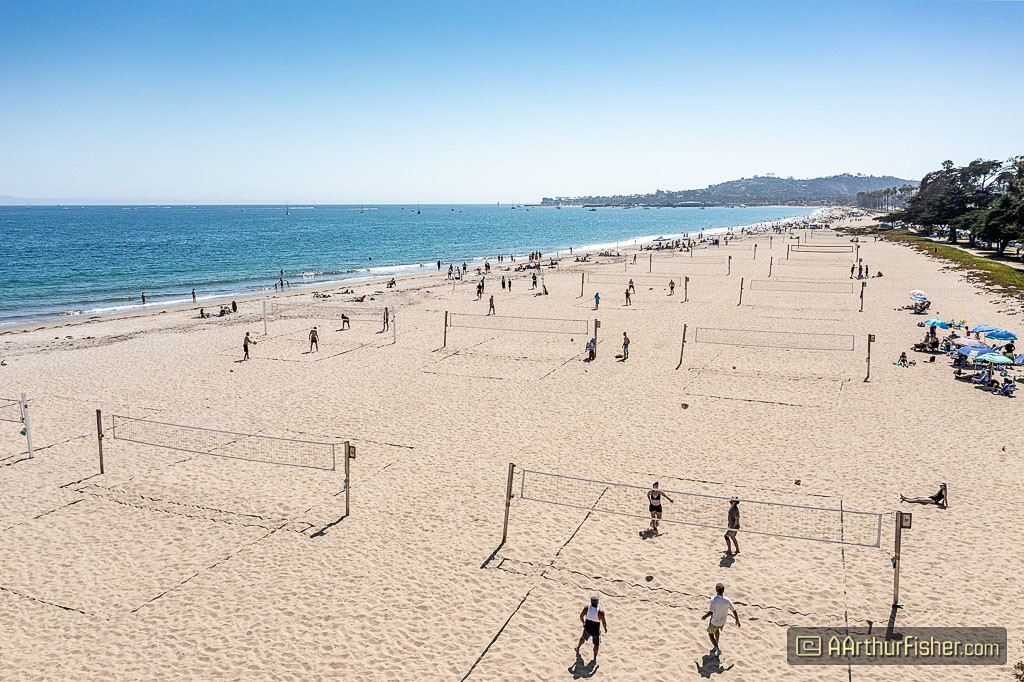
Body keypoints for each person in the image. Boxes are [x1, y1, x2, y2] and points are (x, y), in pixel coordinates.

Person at [701, 583, 740, 657]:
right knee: (717, 629)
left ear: (716, 590)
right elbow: (734, 610)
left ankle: (717, 648)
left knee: (711, 635)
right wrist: (737, 619)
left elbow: (710, 612)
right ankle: (717, 641)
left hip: (714, 621)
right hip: (722, 622)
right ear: (723, 591)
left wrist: (705, 616)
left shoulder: (713, 600)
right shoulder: (727, 600)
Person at [574, 595, 607, 663]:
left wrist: (583, 623)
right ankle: (594, 658)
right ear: (598, 602)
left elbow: (581, 616)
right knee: (596, 645)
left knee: (583, 638)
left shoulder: (587, 608)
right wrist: (605, 628)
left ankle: (578, 648)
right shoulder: (600, 612)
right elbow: (604, 622)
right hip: (595, 630)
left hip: (587, 628)